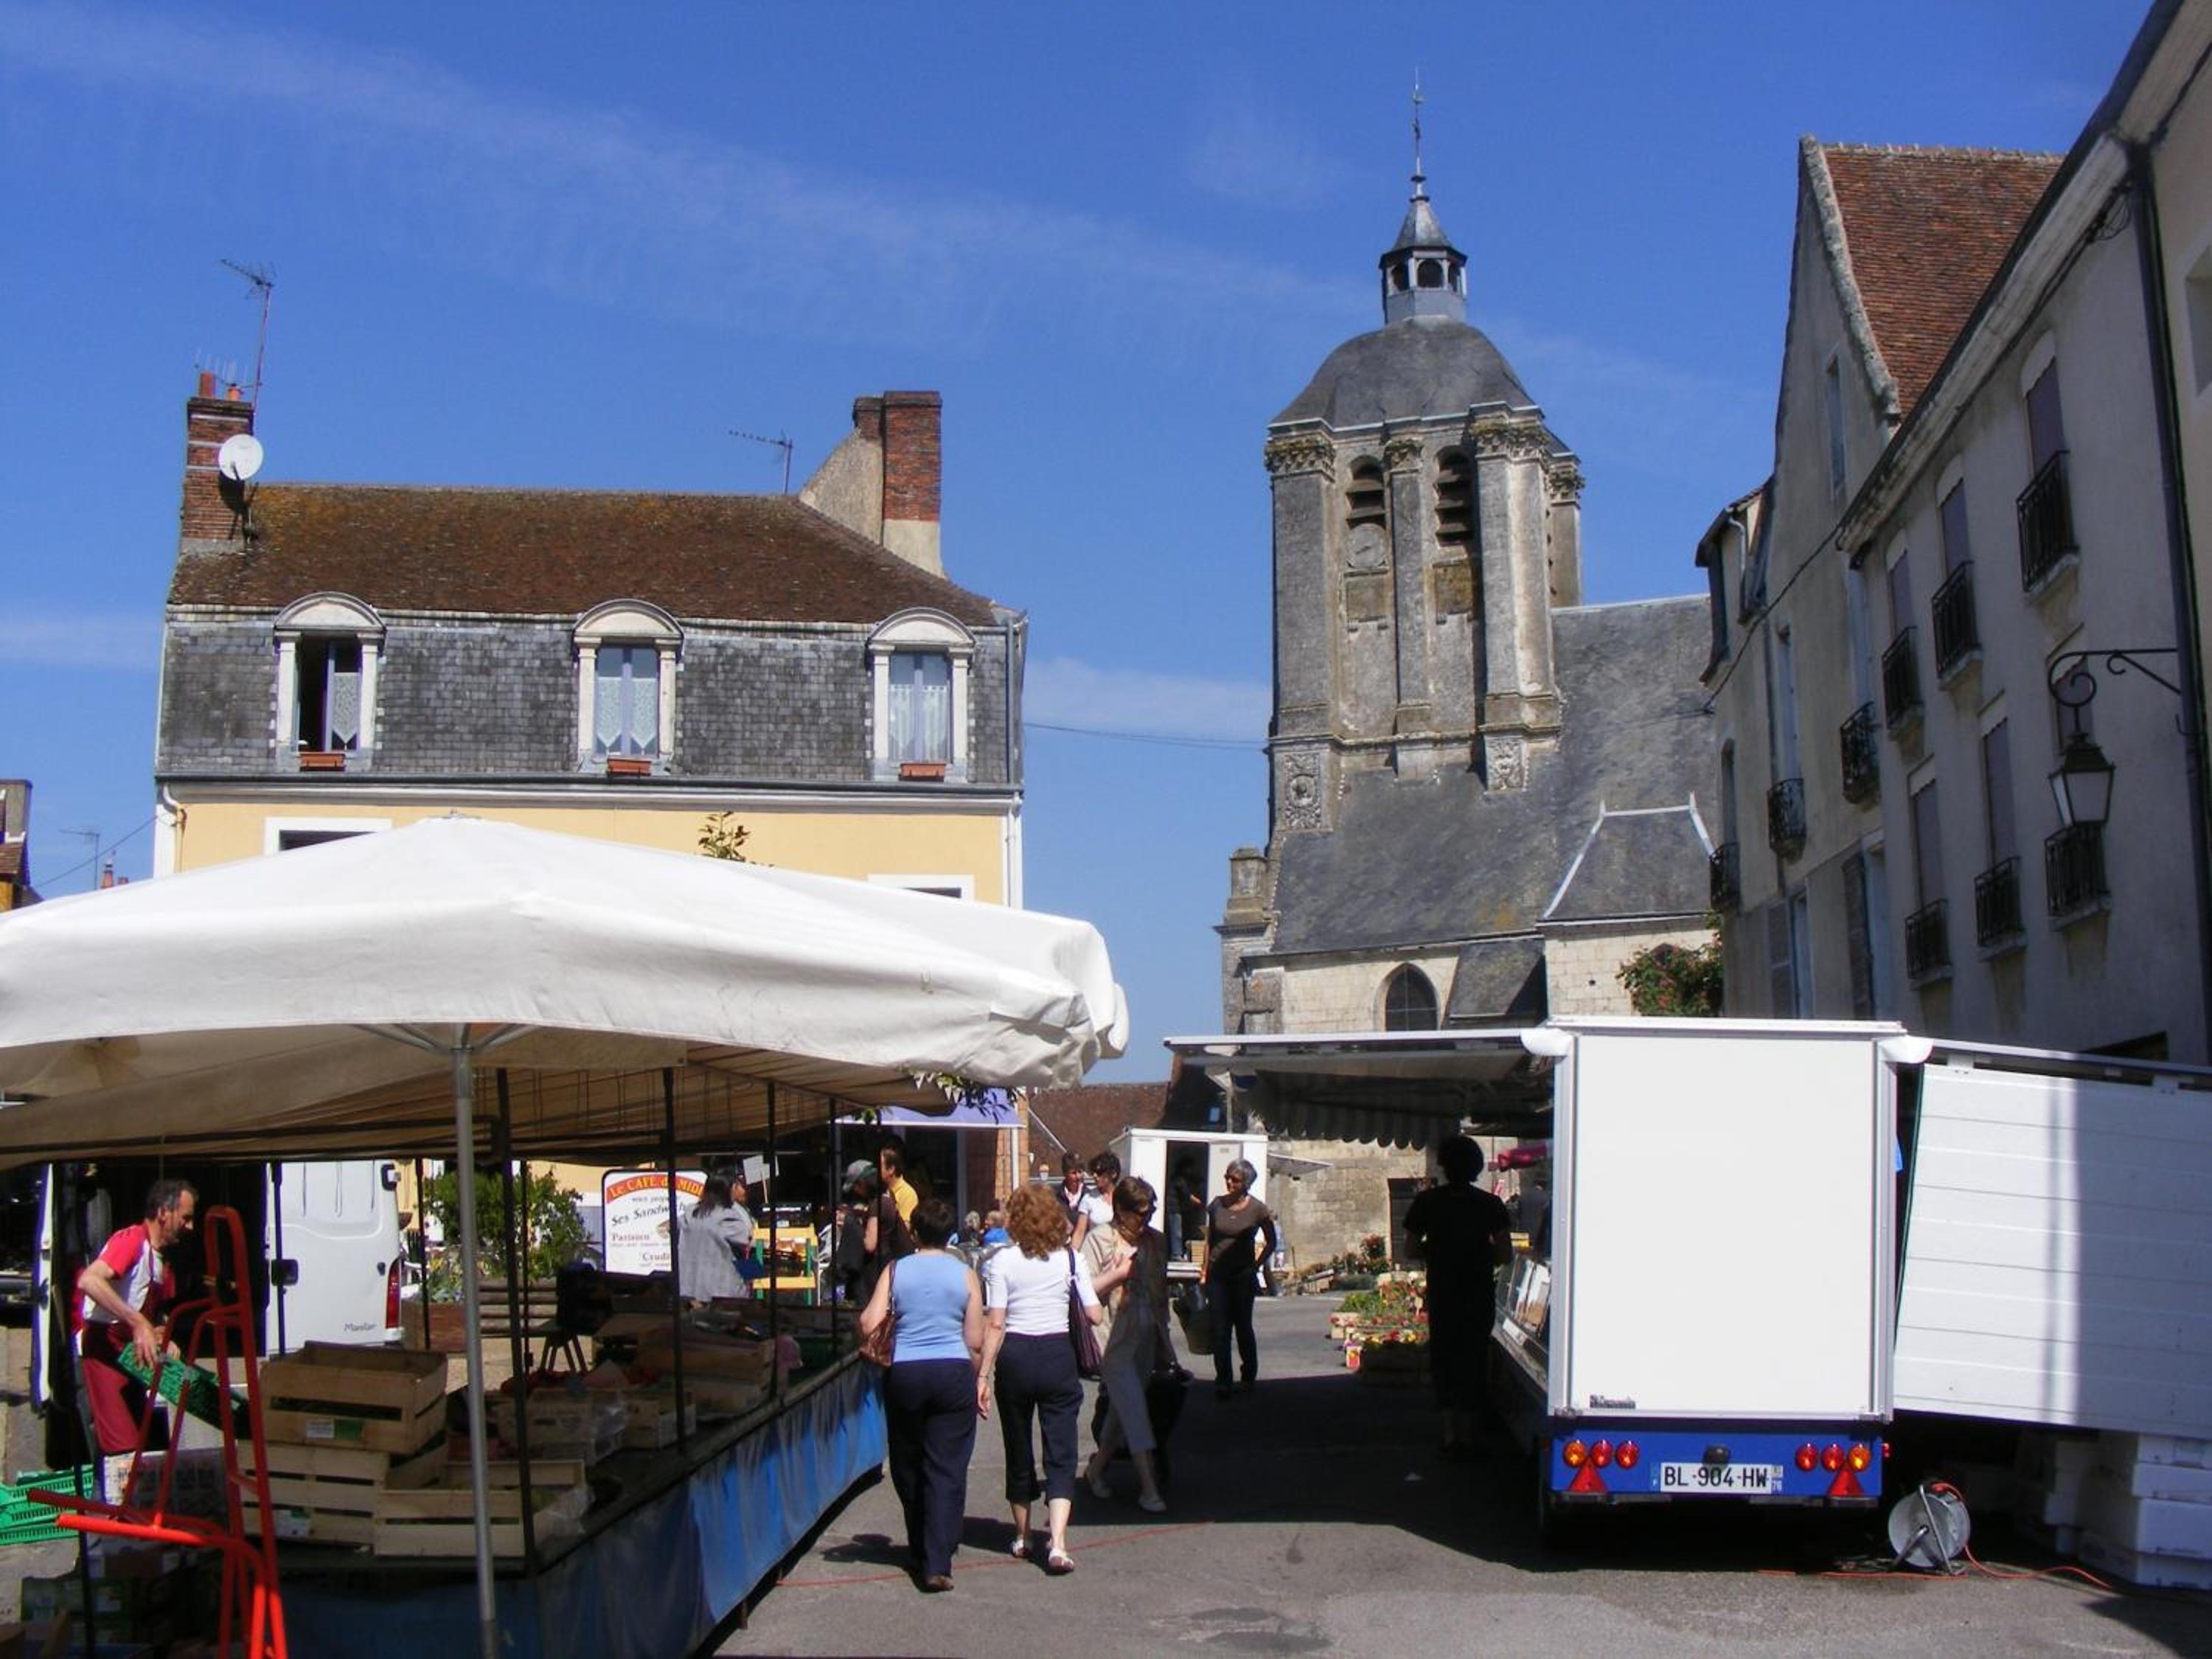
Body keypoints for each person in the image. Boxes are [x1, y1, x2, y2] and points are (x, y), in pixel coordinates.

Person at [858, 1197, 984, 1593]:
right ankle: (937, 1559)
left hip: (907, 1373)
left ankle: (919, 1544)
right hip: (951, 1371)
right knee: (946, 1467)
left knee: (909, 1461)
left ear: (913, 1231)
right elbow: (975, 1340)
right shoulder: (966, 1275)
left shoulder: (896, 1270)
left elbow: (869, 1322)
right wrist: (977, 1379)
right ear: (950, 1235)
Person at [978, 1183, 1102, 1576]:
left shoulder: (1000, 1262)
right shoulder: (1070, 1260)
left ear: (1015, 1220)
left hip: (1015, 1355)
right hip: (1057, 1356)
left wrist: (982, 1374)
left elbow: (995, 1323)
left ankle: (1022, 1534)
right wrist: (1113, 1275)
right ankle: (1059, 1543)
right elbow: (1095, 1314)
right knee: (1061, 1449)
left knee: (1018, 1445)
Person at [1402, 1135, 1514, 1461]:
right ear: (1476, 1167)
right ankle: (1470, 1432)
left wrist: (1438, 1253)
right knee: (1474, 1359)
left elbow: (1410, 1248)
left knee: (1446, 1360)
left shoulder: (1427, 1202)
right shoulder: (1490, 1205)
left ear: (1444, 1165)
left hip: (1443, 1293)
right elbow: (1505, 1253)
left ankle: (1450, 1433)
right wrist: (1480, 1255)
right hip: (1477, 1292)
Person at [77, 1178, 198, 1455]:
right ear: (163, 1213)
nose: (191, 1227)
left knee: (148, 1443)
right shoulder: (131, 1241)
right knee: (124, 1452)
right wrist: (138, 1322)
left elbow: (150, 1311)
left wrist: (161, 1333)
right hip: (103, 1355)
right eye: (186, 1218)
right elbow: (89, 1281)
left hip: (129, 1361)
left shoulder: (161, 1261)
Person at [1081, 1178, 1172, 1512]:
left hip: (1147, 1332)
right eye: (1140, 1214)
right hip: (1111, 1337)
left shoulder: (1156, 1241)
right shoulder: (1100, 1239)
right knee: (1133, 1405)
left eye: (1150, 1214)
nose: (1145, 1222)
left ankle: (1095, 1470)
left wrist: (1165, 1341)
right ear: (1120, 1210)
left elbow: (1162, 1292)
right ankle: (1149, 1489)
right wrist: (1118, 1275)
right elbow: (1084, 1288)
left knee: (1122, 1406)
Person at [1198, 1159, 1276, 1400]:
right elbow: (1209, 1240)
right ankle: (1223, 1380)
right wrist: (1203, 1273)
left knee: (1243, 1327)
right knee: (1220, 1330)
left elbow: (1271, 1241)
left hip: (1242, 1276)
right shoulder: (1216, 1206)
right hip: (1217, 1276)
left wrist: (1255, 1265)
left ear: (1246, 1183)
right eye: (1227, 1177)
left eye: (1235, 1179)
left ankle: (1248, 1376)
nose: (1229, 1182)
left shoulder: (1258, 1210)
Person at [677, 1170, 752, 1303]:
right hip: (721, 1293)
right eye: (738, 1185)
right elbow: (749, 1246)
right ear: (730, 1189)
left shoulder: (691, 1213)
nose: (742, 1190)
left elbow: (670, 1229)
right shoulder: (727, 1217)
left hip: (691, 1290)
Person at [1054, 1153, 1093, 1248]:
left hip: (1085, 1249)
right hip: (1061, 1250)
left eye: (1080, 1172)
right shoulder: (1055, 1196)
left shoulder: (1090, 1196)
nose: (1078, 1177)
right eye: (1074, 1173)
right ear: (1065, 1174)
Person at [879, 1143, 919, 1231]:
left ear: (891, 1169)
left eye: (879, 1166)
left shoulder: (908, 1194)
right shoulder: (881, 1189)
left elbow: (905, 1230)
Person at [1166, 1158, 1199, 1260]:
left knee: (1177, 1231)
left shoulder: (1177, 1178)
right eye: (1190, 1168)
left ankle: (1178, 1253)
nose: (1191, 1171)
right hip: (1174, 1209)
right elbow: (1185, 1193)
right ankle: (1176, 1254)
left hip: (1176, 1208)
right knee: (1177, 1232)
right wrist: (1197, 1202)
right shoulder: (1179, 1179)